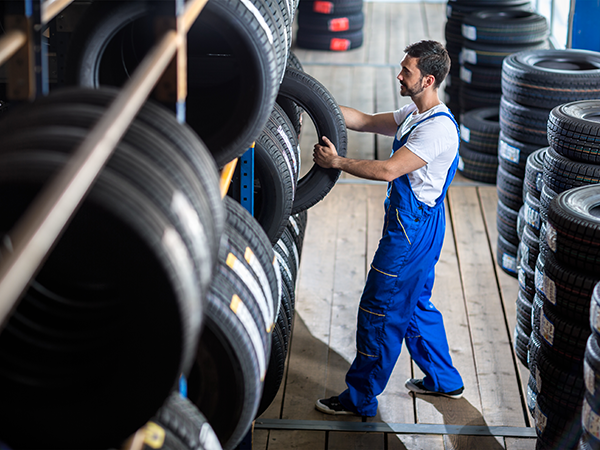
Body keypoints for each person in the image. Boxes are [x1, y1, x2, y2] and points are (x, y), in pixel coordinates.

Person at [312, 40, 464, 417]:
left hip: (411, 232)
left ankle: (360, 397)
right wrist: (312, 104)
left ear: (427, 80)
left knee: (380, 309)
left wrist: (337, 162)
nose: (399, 74)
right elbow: (362, 120)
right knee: (413, 305)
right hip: (420, 225)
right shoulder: (415, 113)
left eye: (407, 71)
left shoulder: (437, 130)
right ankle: (445, 380)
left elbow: (388, 170)